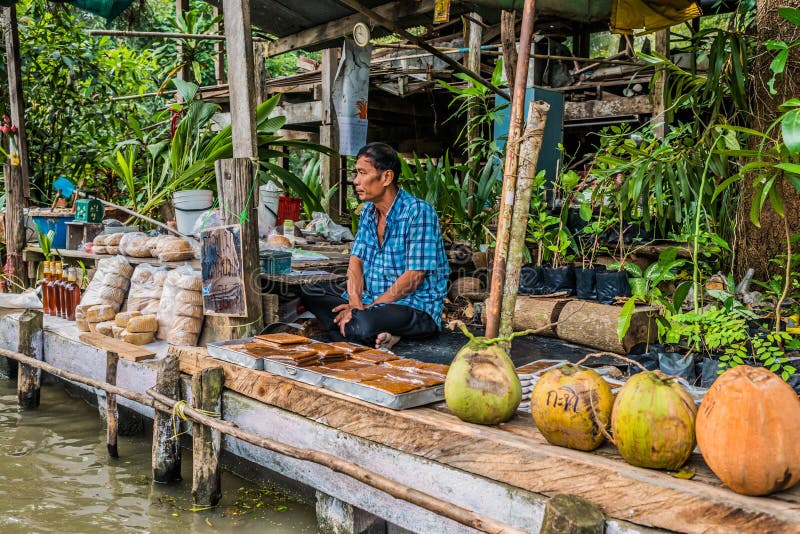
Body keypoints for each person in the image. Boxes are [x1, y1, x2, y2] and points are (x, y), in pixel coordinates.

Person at [301, 142, 449, 350]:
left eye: (362, 173)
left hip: (412, 307)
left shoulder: (418, 212)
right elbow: (356, 261)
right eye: (356, 173)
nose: (356, 180)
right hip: (371, 303)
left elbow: (414, 277)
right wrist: (354, 304)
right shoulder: (368, 212)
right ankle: (367, 331)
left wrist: (366, 310)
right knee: (310, 289)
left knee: (364, 323)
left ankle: (355, 330)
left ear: (387, 177)